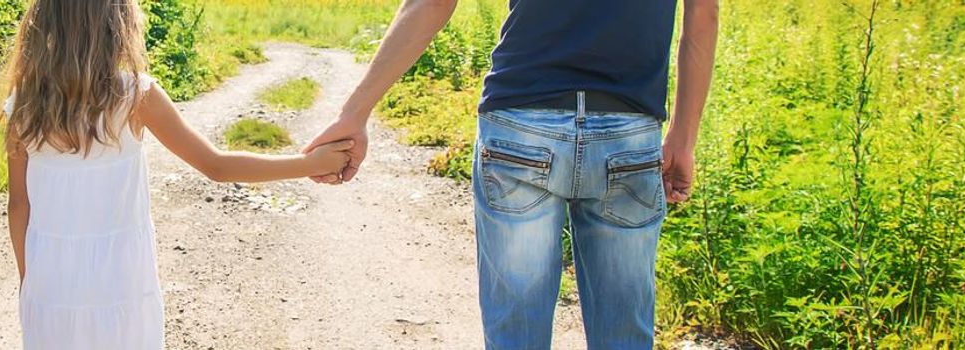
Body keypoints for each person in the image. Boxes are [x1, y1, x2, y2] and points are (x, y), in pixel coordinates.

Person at [302, 0, 719, 348]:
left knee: (515, 333)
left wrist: (354, 112)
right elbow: (704, 12)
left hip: (519, 126)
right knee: (624, 333)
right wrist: (683, 136)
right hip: (628, 133)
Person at [0, 1, 355, 348]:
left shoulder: (24, 104)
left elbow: (19, 206)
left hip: (49, 283)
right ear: (116, 26)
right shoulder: (136, 95)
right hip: (121, 283)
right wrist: (309, 163)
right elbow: (216, 166)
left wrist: (28, 282)